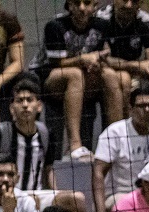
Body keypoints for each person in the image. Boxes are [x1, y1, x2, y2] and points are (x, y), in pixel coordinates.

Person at [0, 78, 87, 212]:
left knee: (77, 199)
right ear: (12, 108)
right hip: (3, 194)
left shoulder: (46, 134)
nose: (25, 105)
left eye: (29, 100)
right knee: (30, 201)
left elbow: (48, 170)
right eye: (20, 101)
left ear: (39, 106)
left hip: (37, 193)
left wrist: (55, 193)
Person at [28, 0, 117, 161]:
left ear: (94, 6)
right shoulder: (55, 25)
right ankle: (74, 145)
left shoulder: (102, 25)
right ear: (69, 5)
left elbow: (105, 54)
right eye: (77, 3)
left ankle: (116, 142)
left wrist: (97, 61)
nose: (82, 8)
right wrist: (84, 59)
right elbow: (56, 63)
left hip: (82, 75)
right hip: (45, 76)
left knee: (112, 75)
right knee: (75, 74)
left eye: (87, 3)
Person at [96, 0, 149, 118]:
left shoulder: (147, 22)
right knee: (122, 78)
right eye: (124, 0)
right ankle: (119, 132)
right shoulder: (101, 19)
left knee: (129, 80)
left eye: (134, 1)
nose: (129, 5)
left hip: (135, 75)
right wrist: (136, 66)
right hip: (103, 71)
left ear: (139, 3)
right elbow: (103, 59)